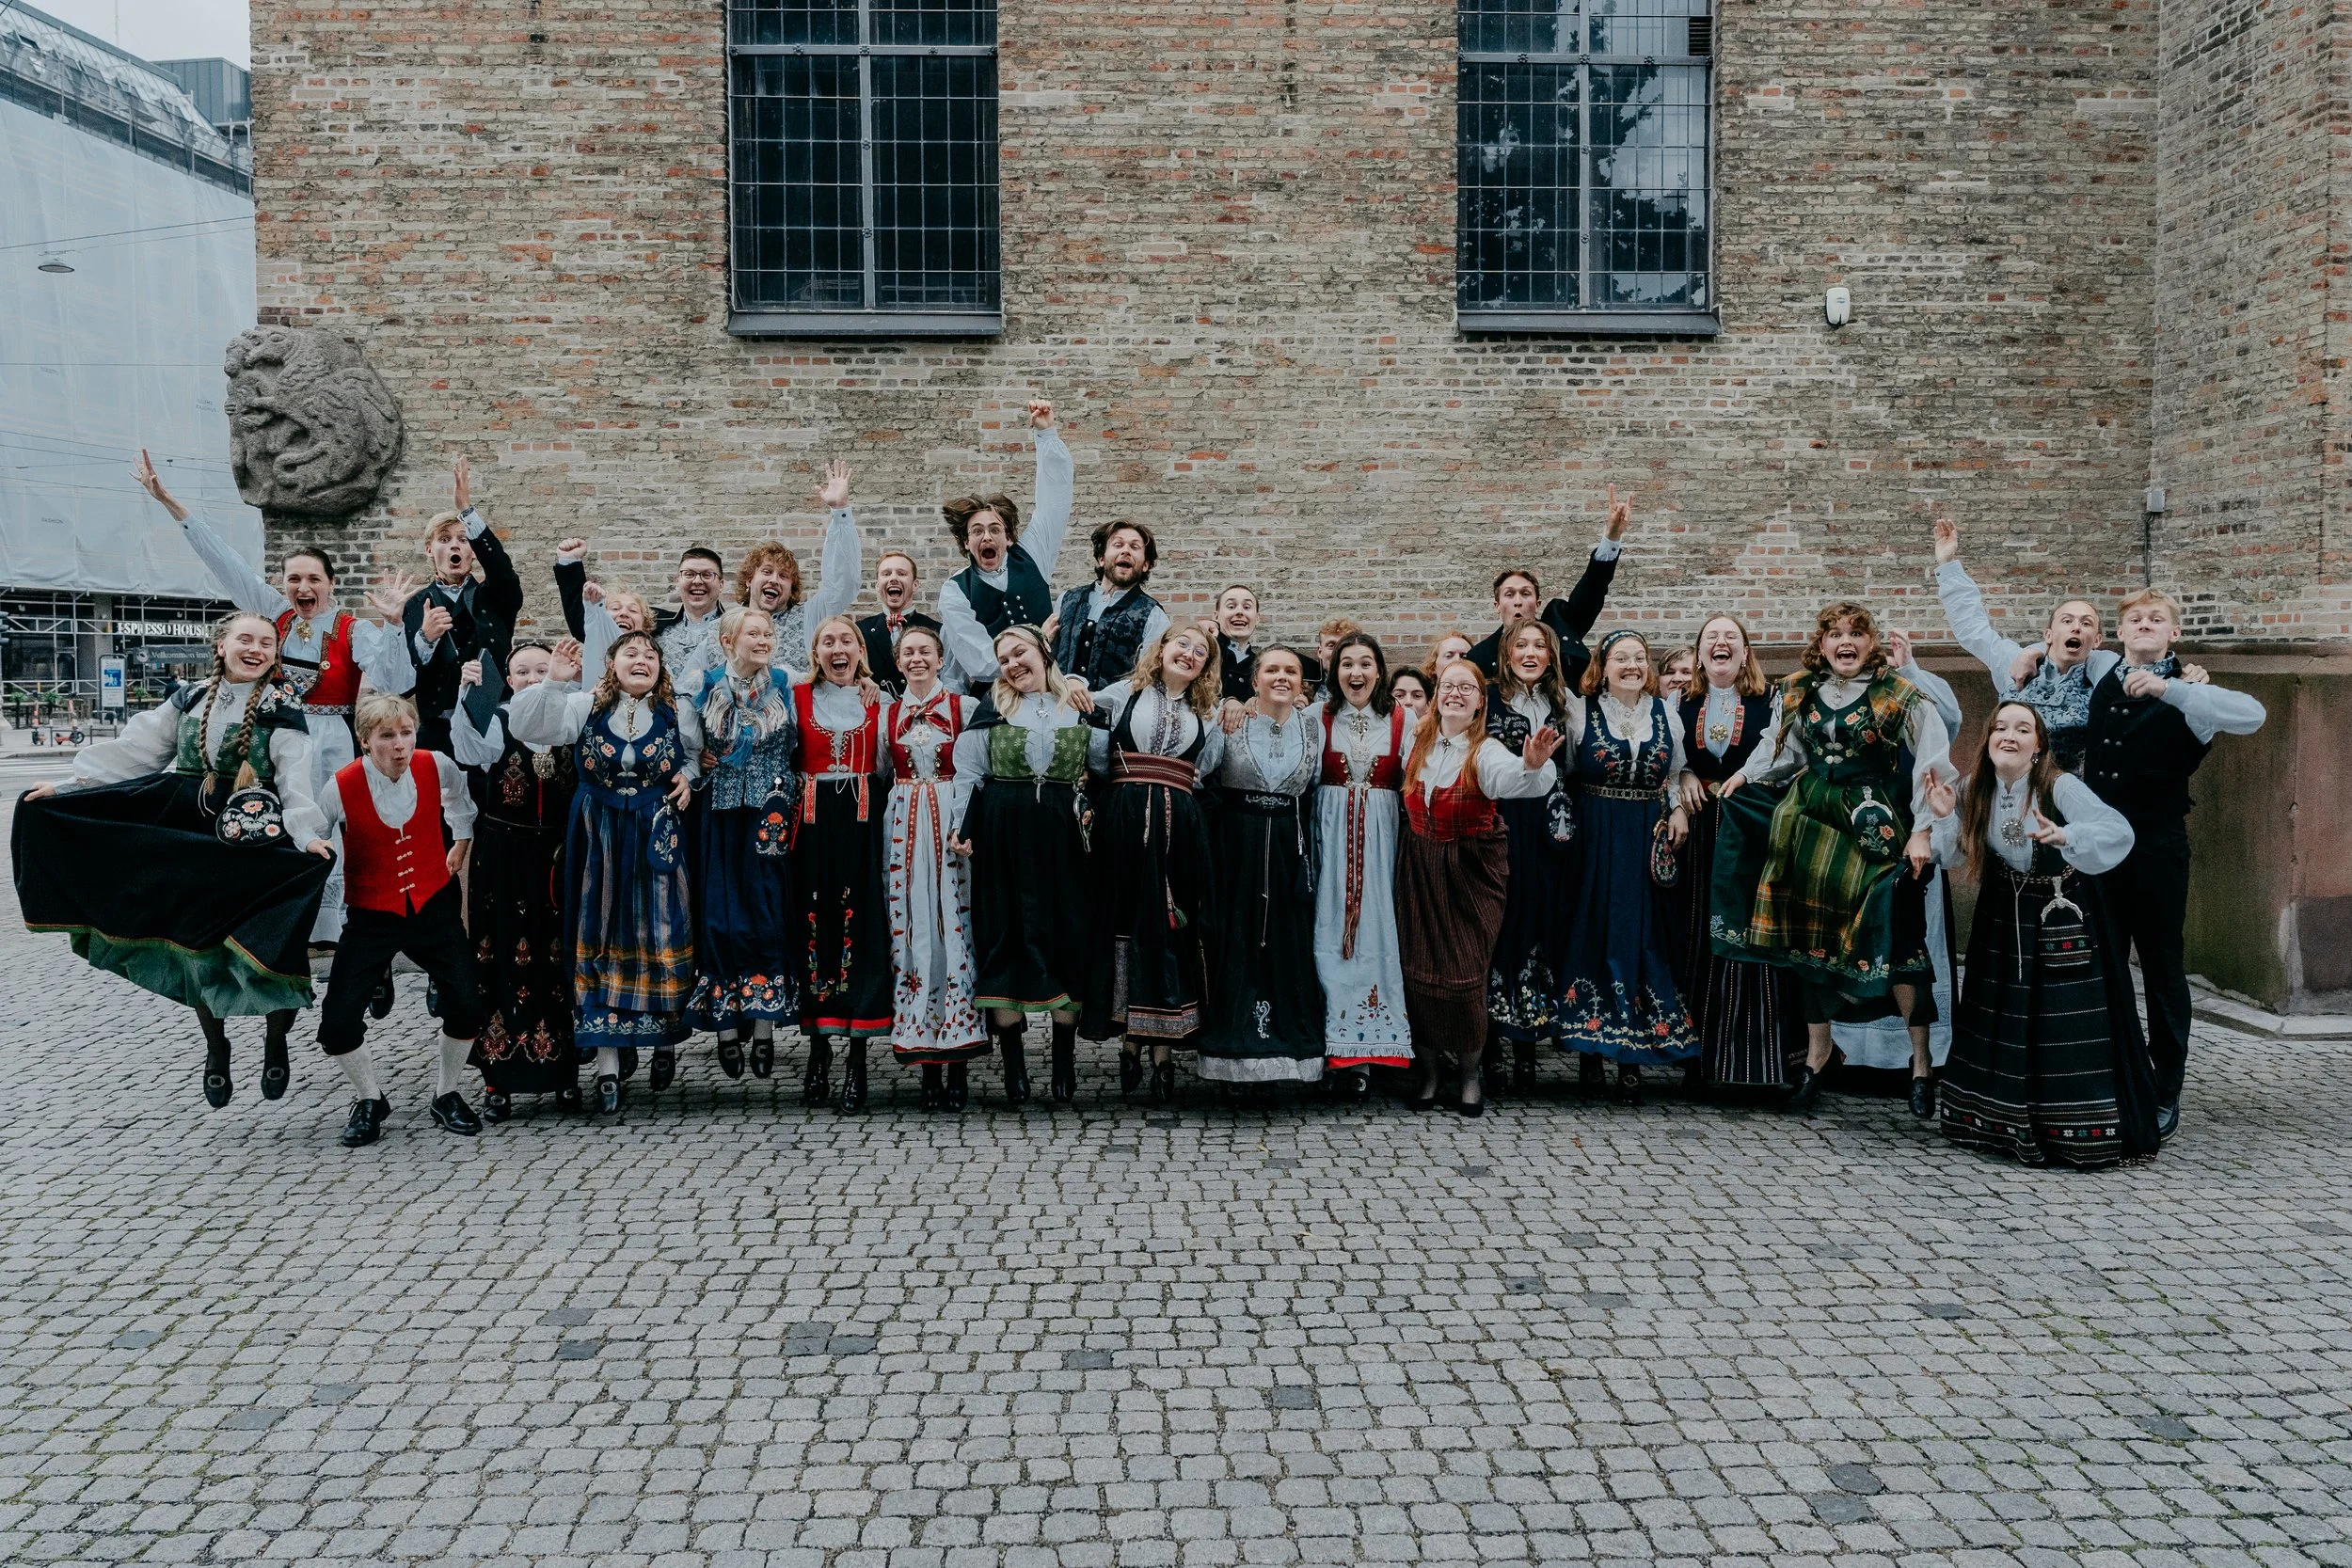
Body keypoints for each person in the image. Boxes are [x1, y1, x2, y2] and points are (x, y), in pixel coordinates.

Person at [17, 613, 333, 1111]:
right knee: (196, 944)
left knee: (275, 938)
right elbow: (134, 754)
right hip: (189, 834)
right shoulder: (187, 698)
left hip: (253, 833)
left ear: (276, 654)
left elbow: (296, 778)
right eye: (245, 639)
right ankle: (216, 1047)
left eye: (266, 643)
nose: (255, 648)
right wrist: (69, 788)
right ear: (222, 644)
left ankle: (277, 1039)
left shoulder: (282, 707)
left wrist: (306, 834)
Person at [135, 451, 416, 947]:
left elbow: (394, 677)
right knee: (267, 813)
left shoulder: (355, 630)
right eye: (294, 579)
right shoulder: (274, 614)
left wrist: (395, 624)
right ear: (283, 586)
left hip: (331, 736)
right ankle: (274, 916)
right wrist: (173, 506)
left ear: (331, 584)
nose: (303, 587)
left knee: (323, 819)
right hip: (271, 730)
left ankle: (327, 926)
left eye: (313, 579)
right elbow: (227, 564)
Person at [1713, 603, 1952, 1115]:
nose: (1846, 643)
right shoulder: (1798, 688)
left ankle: (1921, 1064)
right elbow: (1782, 751)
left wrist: (1924, 833)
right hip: (1810, 821)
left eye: (1857, 635)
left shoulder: (1901, 697)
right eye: (1835, 635)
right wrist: (1746, 777)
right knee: (1809, 937)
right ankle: (1817, 1058)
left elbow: (1931, 769)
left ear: (1873, 644)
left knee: (1895, 924)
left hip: (1873, 817)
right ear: (1821, 644)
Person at [1925, 702, 2153, 1165]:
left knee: (2060, 1022)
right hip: (2001, 915)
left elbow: (2117, 831)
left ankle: (2068, 1132)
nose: (2009, 736)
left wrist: (2068, 838)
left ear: (2039, 745)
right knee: (1999, 1017)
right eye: (2000, 728)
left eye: (2023, 729)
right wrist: (1946, 815)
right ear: (1987, 741)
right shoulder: (1974, 788)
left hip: (2057, 914)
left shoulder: (2059, 786)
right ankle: (1994, 1125)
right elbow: (1949, 858)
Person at [2077, 587, 2266, 1140]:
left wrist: (2171, 688)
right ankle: (2115, 1074)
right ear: (2120, 632)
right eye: (2134, 619)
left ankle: (2166, 1087)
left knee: (2160, 969)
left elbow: (2252, 715)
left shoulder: (2194, 692)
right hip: (2097, 848)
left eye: (2155, 619)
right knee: (2104, 963)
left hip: (2157, 847)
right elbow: (2047, 650)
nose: (2144, 625)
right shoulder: (2101, 673)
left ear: (2174, 633)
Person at [508, 631, 701, 1115]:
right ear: (611, 664)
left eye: (650, 655)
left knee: (661, 929)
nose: (642, 661)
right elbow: (528, 724)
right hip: (600, 832)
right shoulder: (583, 706)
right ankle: (609, 1068)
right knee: (601, 929)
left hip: (657, 828)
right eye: (630, 654)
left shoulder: (679, 710)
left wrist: (688, 775)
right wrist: (553, 681)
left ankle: (663, 1046)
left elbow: (697, 753)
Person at [312, 692, 486, 1148]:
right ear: (366, 741)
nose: (400, 744)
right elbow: (313, 833)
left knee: (467, 1004)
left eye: (406, 733)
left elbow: (460, 802)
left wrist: (461, 841)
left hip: (432, 904)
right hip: (371, 914)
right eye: (387, 736)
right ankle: (370, 1098)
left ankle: (446, 1093)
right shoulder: (342, 785)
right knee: (336, 1023)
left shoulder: (436, 764)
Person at [1394, 659, 1561, 1116]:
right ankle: (1429, 1073)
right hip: (1419, 866)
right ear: (1435, 696)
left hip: (1470, 870)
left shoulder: (1485, 750)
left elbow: (1514, 780)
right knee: (1417, 970)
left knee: (1465, 977)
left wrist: (1530, 766)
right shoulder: (1414, 739)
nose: (1456, 694)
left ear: (1480, 703)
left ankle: (1470, 1075)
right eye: (1449, 686)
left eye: (1467, 688)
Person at [954, 625, 1096, 1105]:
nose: (1014, 665)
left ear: (1044, 653)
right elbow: (969, 773)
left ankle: (1063, 1062)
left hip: (1062, 835)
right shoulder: (990, 710)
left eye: (1021, 653)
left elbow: (1103, 764)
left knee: (1066, 933)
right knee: (1007, 934)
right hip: (1003, 833)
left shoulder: (1078, 705)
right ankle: (1014, 1065)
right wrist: (962, 827)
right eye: (1004, 660)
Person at [1083, 624, 1226, 1102]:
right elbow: (1083, 718)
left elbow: (1205, 772)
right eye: (1181, 643)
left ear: (1207, 666)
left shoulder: (1207, 710)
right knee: (1125, 921)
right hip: (1123, 821)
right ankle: (1129, 1038)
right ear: (1161, 649)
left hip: (1181, 828)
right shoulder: (1124, 694)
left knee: (1170, 924)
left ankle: (1160, 1048)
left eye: (1200, 651)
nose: (1189, 653)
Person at [1555, 630, 1697, 1101]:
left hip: (1646, 834)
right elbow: (1568, 771)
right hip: (1596, 834)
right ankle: (1592, 1051)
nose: (1632, 665)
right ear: (1603, 665)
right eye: (1621, 658)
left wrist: (1677, 806)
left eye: (1639, 657)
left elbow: (1675, 769)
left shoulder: (1667, 713)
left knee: (1644, 936)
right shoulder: (1581, 711)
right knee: (1594, 930)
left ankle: (1633, 1056)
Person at [1668, 614, 1802, 1092]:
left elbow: (1786, 755)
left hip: (1753, 830)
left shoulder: (1773, 699)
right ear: (1700, 654)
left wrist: (1745, 777)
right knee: (1700, 933)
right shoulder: (1679, 701)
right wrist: (1681, 782)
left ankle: (1761, 1064)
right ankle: (1700, 1062)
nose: (1720, 644)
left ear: (1745, 652)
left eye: (1731, 638)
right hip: (1702, 832)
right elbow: (1671, 759)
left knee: (1753, 933)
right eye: (1711, 638)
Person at [451, 641, 582, 1119]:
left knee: (558, 958)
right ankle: (499, 1078)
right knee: (500, 957)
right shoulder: (497, 722)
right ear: (508, 680)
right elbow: (465, 749)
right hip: (503, 858)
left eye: (541, 669)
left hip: (558, 856)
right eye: (522, 671)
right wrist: (469, 694)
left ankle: (563, 1072)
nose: (531, 677)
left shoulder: (571, 719)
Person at [1829, 628, 1967, 1082]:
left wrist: (1910, 669)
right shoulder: (1836, 695)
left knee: (1911, 943)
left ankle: (1921, 1057)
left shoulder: (1907, 694)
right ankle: (1853, 1053)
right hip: (1855, 838)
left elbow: (1947, 724)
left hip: (1911, 837)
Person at [1199, 647, 1327, 1091]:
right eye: (1271, 669)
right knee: (1238, 939)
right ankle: (1232, 1055)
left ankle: (1289, 1052)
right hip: (1237, 845)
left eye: (1290, 671)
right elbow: (1199, 772)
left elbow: (1311, 789)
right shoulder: (1229, 719)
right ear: (1254, 682)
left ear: (1301, 684)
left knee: (1287, 943)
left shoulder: (1313, 728)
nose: (1282, 677)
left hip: (1289, 847)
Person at [684, 606, 802, 1083]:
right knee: (720, 914)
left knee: (767, 912)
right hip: (721, 812)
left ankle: (765, 1026)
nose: (764, 638)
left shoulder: (790, 685)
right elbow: (690, 751)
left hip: (771, 810)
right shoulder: (703, 685)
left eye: (768, 632)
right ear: (728, 639)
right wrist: (700, 764)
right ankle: (726, 1030)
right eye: (754, 632)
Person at [791, 615, 898, 1112]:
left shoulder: (881, 705)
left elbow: (887, 769)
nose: (838, 649)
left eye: (847, 641)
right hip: (811, 827)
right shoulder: (795, 699)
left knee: (861, 924)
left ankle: (856, 1059)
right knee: (815, 924)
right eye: (827, 641)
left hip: (861, 823)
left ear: (860, 651)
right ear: (816, 653)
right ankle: (818, 1050)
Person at [882, 625, 987, 1104]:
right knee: (912, 929)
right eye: (909, 653)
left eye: (925, 651)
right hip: (905, 822)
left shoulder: (964, 708)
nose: (917, 659)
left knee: (955, 924)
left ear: (940, 658)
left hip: (951, 816)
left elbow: (976, 770)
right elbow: (883, 769)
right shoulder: (886, 714)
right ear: (899, 662)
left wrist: (965, 824)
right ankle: (925, 1060)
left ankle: (959, 1058)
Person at [1313, 633, 1416, 1098]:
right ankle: (1330, 1050)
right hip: (1328, 837)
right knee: (1327, 928)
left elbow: (1420, 775)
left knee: (1377, 931)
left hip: (1381, 839)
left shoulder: (1402, 719)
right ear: (1335, 671)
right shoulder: (1316, 716)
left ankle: (1370, 1055)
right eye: (1347, 664)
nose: (1356, 673)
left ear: (1379, 671)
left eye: (1366, 664)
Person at [1931, 517, 2117, 771]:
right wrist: (1948, 564)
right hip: (2016, 790)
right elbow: (1973, 630)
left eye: (2086, 623)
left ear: (2096, 640)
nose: (2076, 627)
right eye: (2067, 620)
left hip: (2075, 795)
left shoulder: (2104, 674)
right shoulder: (2014, 662)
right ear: (2049, 634)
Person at [1484, 620, 1581, 1091]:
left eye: (1539, 646)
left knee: (1539, 926)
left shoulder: (1564, 703)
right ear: (1505, 652)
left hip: (1551, 828)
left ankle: (1527, 1044)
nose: (1529, 652)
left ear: (1550, 655)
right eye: (1520, 644)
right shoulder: (1488, 697)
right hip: (1503, 822)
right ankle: (1491, 1046)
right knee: (1500, 925)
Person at [938, 399, 1073, 692]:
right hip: (997, 694)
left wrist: (1046, 436)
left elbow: (1055, 502)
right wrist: (1032, 649)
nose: (987, 537)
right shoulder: (954, 590)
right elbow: (977, 659)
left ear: (1009, 538)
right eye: (977, 531)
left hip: (1051, 687)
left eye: (995, 529)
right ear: (966, 542)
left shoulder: (1033, 555)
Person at [403, 458, 524, 755]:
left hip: (493, 718)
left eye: (463, 539)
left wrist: (467, 510)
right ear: (430, 550)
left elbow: (502, 570)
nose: (455, 546)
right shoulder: (415, 604)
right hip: (440, 727)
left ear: (474, 551)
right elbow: (404, 672)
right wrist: (425, 639)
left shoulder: (495, 595)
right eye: (444, 539)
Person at [1466, 485, 1634, 687]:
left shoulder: (1560, 626)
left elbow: (1592, 590)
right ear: (1497, 606)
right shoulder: (1479, 656)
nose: (1518, 602)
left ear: (1537, 603)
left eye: (1525, 594)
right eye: (1509, 595)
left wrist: (1612, 537)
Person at [733, 460, 864, 669]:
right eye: (767, 571)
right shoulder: (724, 627)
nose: (774, 580)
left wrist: (840, 511)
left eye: (784, 576)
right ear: (749, 580)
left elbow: (843, 583)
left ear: (791, 588)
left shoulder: (810, 616)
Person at [1051, 520, 1170, 688]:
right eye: (1118, 544)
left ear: (1145, 565)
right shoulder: (1067, 599)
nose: (1126, 551)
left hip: (1113, 712)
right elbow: (1050, 659)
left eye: (1135, 547)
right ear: (1101, 558)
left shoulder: (1154, 615)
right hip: (1060, 708)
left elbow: (1148, 679)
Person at [860, 550, 946, 696]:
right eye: (886, 574)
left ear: (915, 585)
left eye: (901, 573)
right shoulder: (860, 631)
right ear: (877, 585)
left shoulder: (938, 631)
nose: (893, 578)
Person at [1214, 585, 1265, 703]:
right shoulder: (1204, 653)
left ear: (1257, 618)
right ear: (1216, 616)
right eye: (1231, 606)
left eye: (1247, 607)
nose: (1239, 612)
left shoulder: (1261, 665)